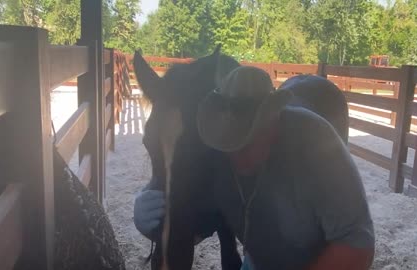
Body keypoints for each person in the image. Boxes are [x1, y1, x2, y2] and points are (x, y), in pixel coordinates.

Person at [135, 66, 374, 270]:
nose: (236, 154)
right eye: (230, 140)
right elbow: (199, 225)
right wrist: (151, 220)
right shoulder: (220, 150)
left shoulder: (317, 143)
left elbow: (356, 243)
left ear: (273, 122)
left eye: (248, 140)